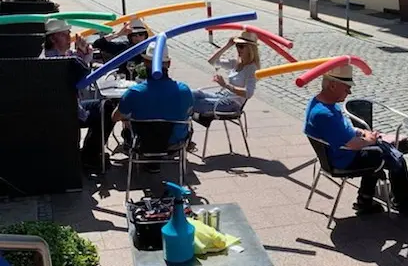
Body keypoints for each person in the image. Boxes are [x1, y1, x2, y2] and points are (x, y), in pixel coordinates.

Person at [304, 65, 408, 215]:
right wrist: (372, 140)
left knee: (390, 148)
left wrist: (363, 132)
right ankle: (404, 202)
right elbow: (353, 144)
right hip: (344, 159)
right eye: (347, 88)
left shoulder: (319, 104)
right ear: (332, 85)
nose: (349, 92)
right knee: (395, 154)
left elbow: (343, 131)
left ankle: (365, 199)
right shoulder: (325, 114)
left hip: (336, 155)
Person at [40, 19, 115, 171]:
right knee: (107, 108)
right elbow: (84, 77)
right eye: (64, 35)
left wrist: (82, 54)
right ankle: (90, 154)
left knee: (103, 106)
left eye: (69, 34)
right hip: (69, 112)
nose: (69, 38)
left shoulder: (53, 56)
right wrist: (83, 56)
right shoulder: (59, 61)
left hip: (63, 109)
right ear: (52, 38)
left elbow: (78, 65)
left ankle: (90, 152)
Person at [112, 42, 193, 173]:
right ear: (169, 64)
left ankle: (148, 161)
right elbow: (189, 112)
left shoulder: (135, 92)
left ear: (145, 63)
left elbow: (114, 117)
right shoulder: (184, 90)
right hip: (174, 143)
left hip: (143, 143)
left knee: (127, 122)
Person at [188, 31, 259, 150]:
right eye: (237, 45)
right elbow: (212, 61)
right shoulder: (236, 63)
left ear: (250, 49)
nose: (238, 49)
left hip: (231, 104)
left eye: (241, 46)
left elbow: (249, 93)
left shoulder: (252, 69)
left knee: (187, 102)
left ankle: (185, 138)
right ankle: (184, 138)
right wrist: (227, 45)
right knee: (191, 93)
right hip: (222, 96)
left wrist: (226, 85)